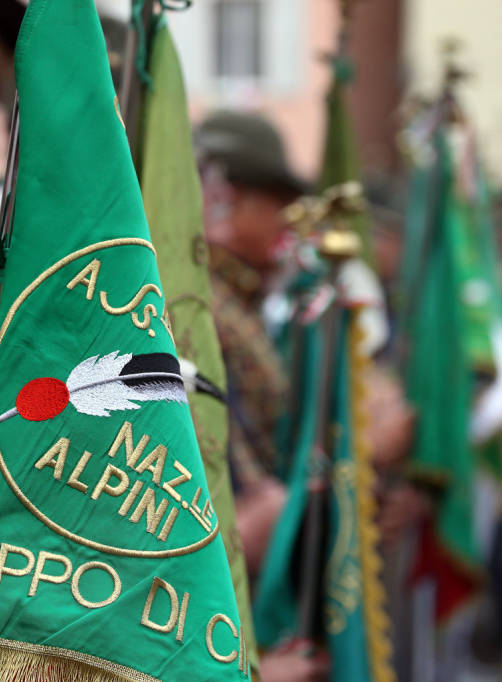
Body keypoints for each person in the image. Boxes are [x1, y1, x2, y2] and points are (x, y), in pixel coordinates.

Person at [193, 110, 308, 571]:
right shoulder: (206, 310)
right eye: (281, 204)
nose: (292, 222)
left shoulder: (238, 303)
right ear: (228, 201)